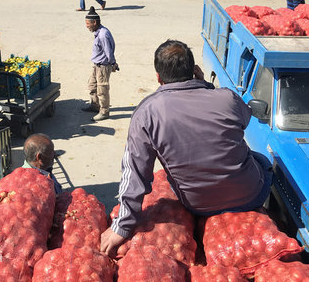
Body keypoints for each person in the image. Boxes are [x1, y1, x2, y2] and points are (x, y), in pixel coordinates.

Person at [100, 40, 272, 256]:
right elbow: (244, 120)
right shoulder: (227, 97)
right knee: (262, 161)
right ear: (194, 70)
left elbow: (134, 173)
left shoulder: (146, 113)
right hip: (250, 195)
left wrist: (122, 226)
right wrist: (206, 86)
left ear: (159, 78)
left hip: (197, 204)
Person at [82, 7, 117, 121]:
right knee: (92, 86)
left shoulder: (103, 34)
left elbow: (109, 51)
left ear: (95, 22)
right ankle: (95, 106)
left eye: (88, 23)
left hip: (103, 66)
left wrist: (113, 64)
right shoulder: (99, 32)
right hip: (96, 65)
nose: (86, 26)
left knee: (102, 90)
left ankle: (104, 112)